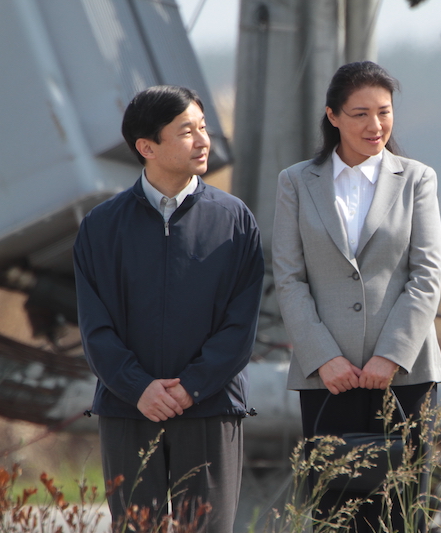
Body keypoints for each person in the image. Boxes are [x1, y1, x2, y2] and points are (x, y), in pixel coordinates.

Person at [73, 85, 264, 532]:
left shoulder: (235, 221)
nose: (202, 141)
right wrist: (139, 388)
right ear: (147, 147)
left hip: (211, 409)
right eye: (186, 131)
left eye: (203, 128)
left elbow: (241, 325)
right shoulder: (100, 228)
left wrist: (191, 386)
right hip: (128, 409)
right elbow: (95, 328)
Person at [272, 61, 441, 532]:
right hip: (329, 376)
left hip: (406, 372)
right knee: (334, 511)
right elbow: (288, 278)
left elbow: (426, 274)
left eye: (384, 112)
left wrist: (391, 355)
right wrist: (323, 357)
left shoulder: (416, 179)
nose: (375, 126)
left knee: (402, 507)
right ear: (332, 116)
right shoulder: (295, 181)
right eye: (360, 114)